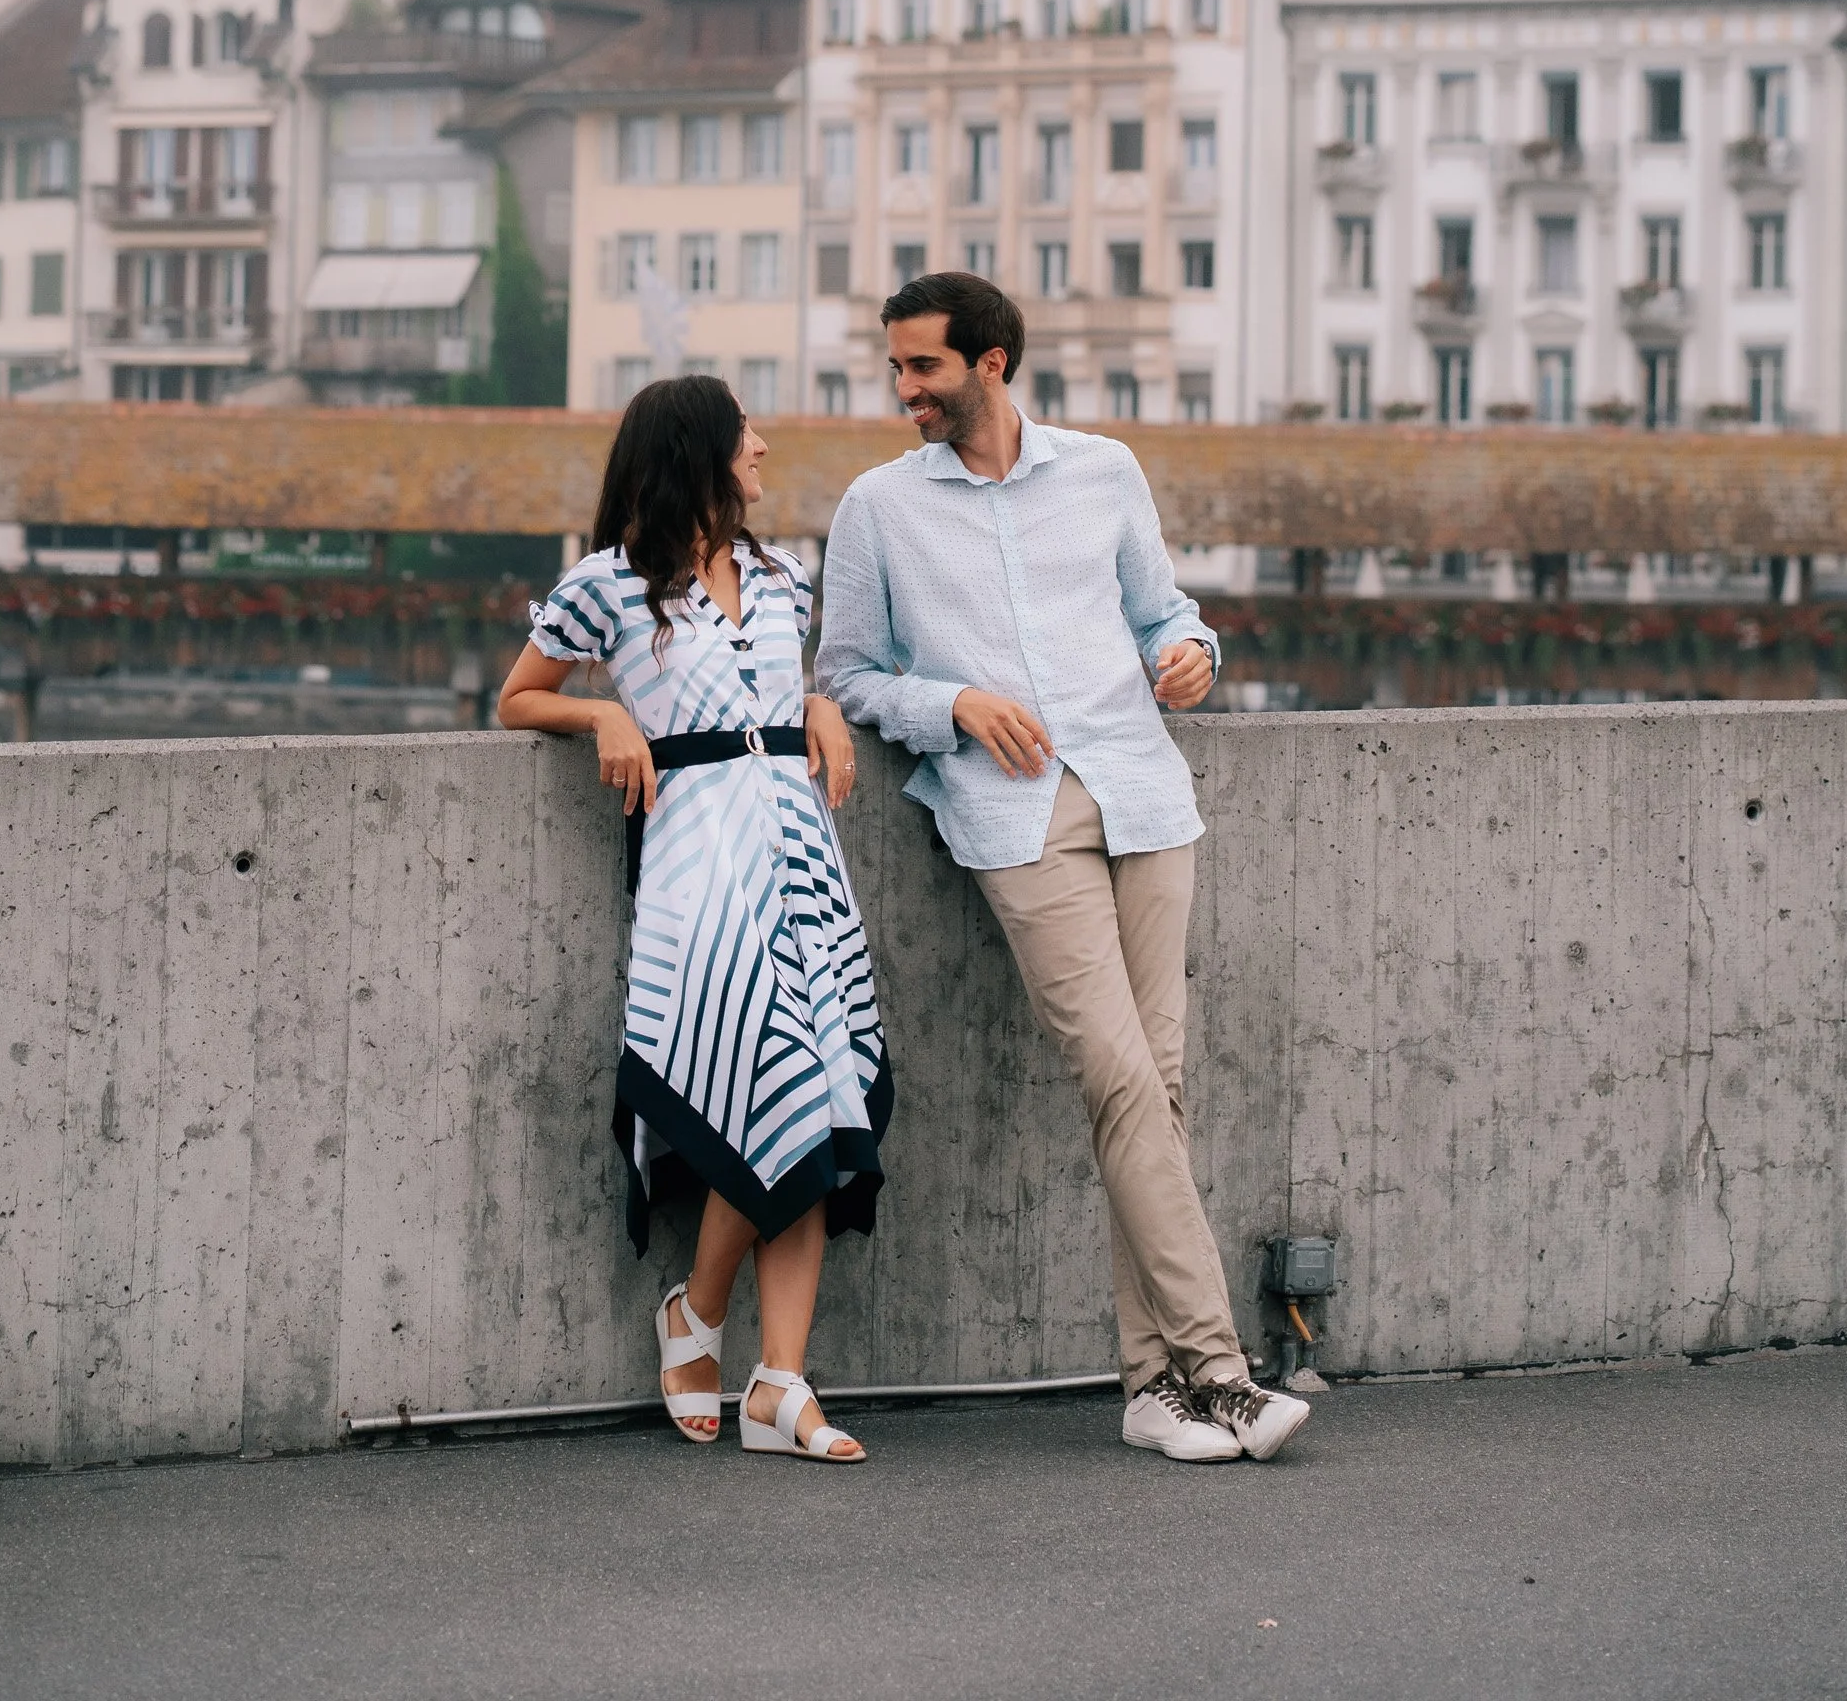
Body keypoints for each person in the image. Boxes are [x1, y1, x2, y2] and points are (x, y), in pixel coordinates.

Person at [817, 273, 1309, 1468]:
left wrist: (1189, 654)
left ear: (990, 363)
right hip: (1009, 817)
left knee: (1161, 1087)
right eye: (893, 368)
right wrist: (951, 703)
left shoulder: (1102, 472)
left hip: (1143, 794)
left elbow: (1164, 614)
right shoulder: (877, 508)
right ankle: (1222, 1374)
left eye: (922, 367)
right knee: (1119, 1080)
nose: (903, 390)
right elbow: (842, 675)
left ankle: (1148, 1393)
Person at [499, 375, 888, 1462]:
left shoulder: (778, 575)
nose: (761, 447)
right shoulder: (607, 586)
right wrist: (599, 713)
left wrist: (813, 703)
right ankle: (698, 1315)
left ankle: (779, 1383)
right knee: (767, 1078)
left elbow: (782, 687)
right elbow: (516, 695)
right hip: (694, 861)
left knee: (819, 1096)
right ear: (700, 451)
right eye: (744, 433)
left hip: (801, 853)